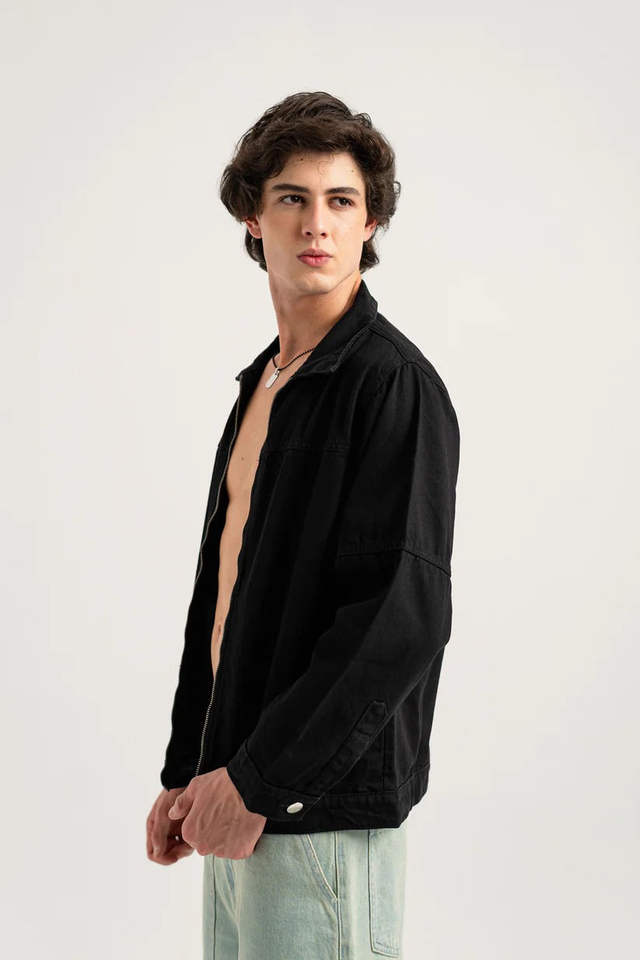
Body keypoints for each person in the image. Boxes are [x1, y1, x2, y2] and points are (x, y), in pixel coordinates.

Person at [146, 91, 460, 959]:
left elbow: (400, 620)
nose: (316, 223)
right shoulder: (267, 385)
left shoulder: (391, 385)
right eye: (292, 197)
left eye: (341, 200)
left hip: (310, 811)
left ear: (370, 223)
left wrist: (257, 780)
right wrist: (191, 771)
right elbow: (229, 598)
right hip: (237, 797)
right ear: (254, 218)